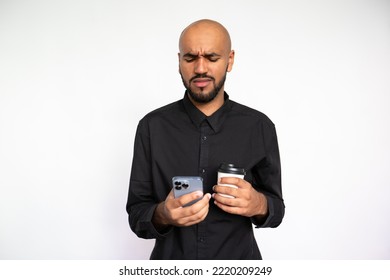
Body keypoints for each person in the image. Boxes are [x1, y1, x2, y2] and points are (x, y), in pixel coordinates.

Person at [126, 19, 284, 260]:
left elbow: (277, 210)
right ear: (179, 61)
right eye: (190, 58)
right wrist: (163, 214)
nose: (200, 68)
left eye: (211, 58)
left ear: (230, 60)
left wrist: (260, 205)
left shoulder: (259, 127)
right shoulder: (151, 127)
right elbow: (137, 214)